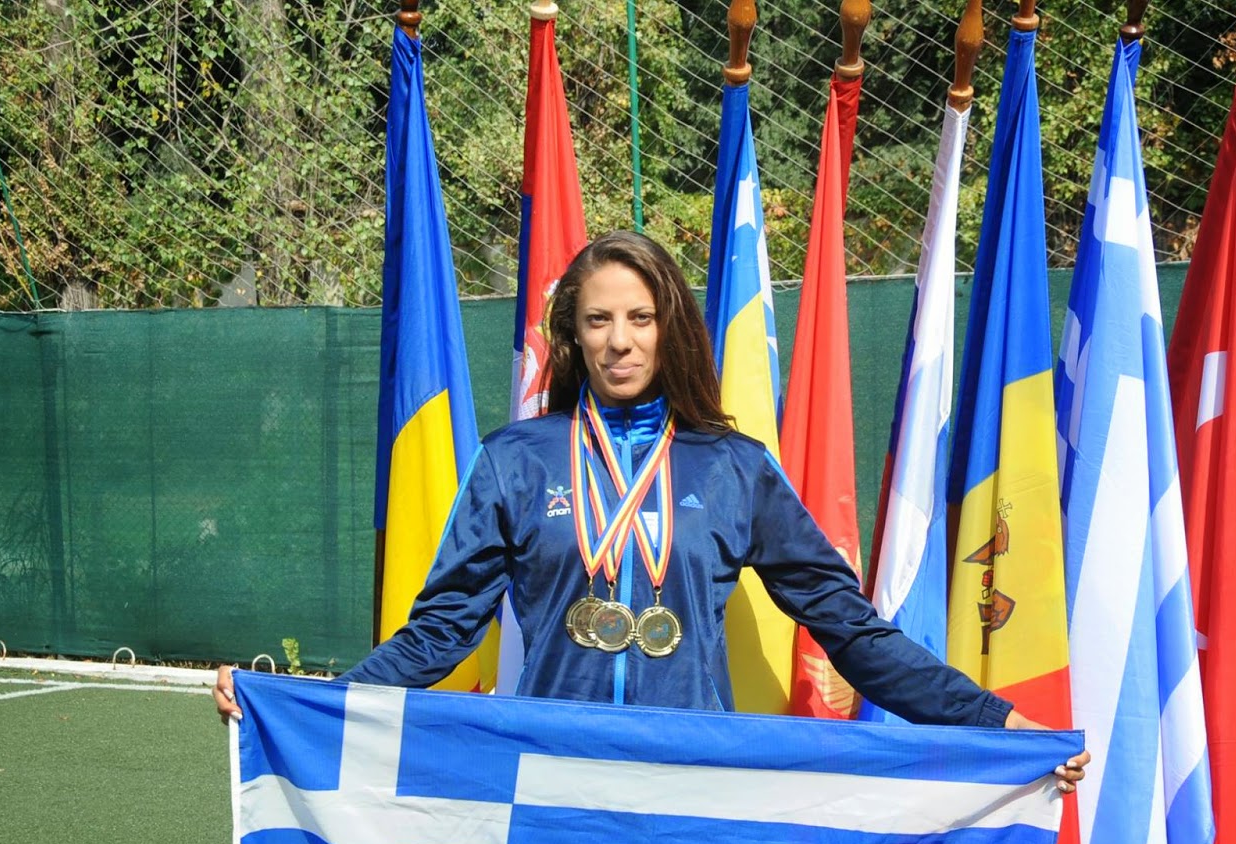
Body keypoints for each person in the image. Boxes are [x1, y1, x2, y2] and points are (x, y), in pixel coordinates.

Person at [214, 230, 1087, 791]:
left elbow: (850, 631)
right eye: (598, 320)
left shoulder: (735, 467)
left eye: (639, 317)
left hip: (691, 781)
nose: (620, 340)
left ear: (669, 325)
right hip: (551, 778)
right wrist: (303, 702)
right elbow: (439, 633)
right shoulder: (516, 461)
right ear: (573, 334)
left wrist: (993, 720)